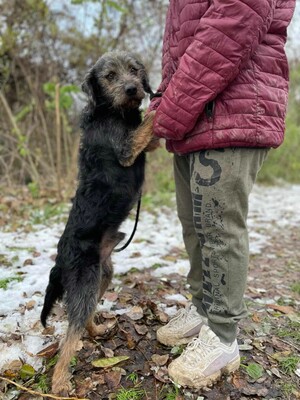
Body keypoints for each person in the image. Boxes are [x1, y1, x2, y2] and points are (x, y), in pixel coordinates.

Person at [146, 0, 296, 390]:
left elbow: (227, 32)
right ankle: (202, 306)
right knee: (194, 221)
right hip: (194, 115)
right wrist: (164, 105)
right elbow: (181, 47)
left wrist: (168, 112)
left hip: (232, 110)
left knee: (217, 226)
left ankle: (222, 334)